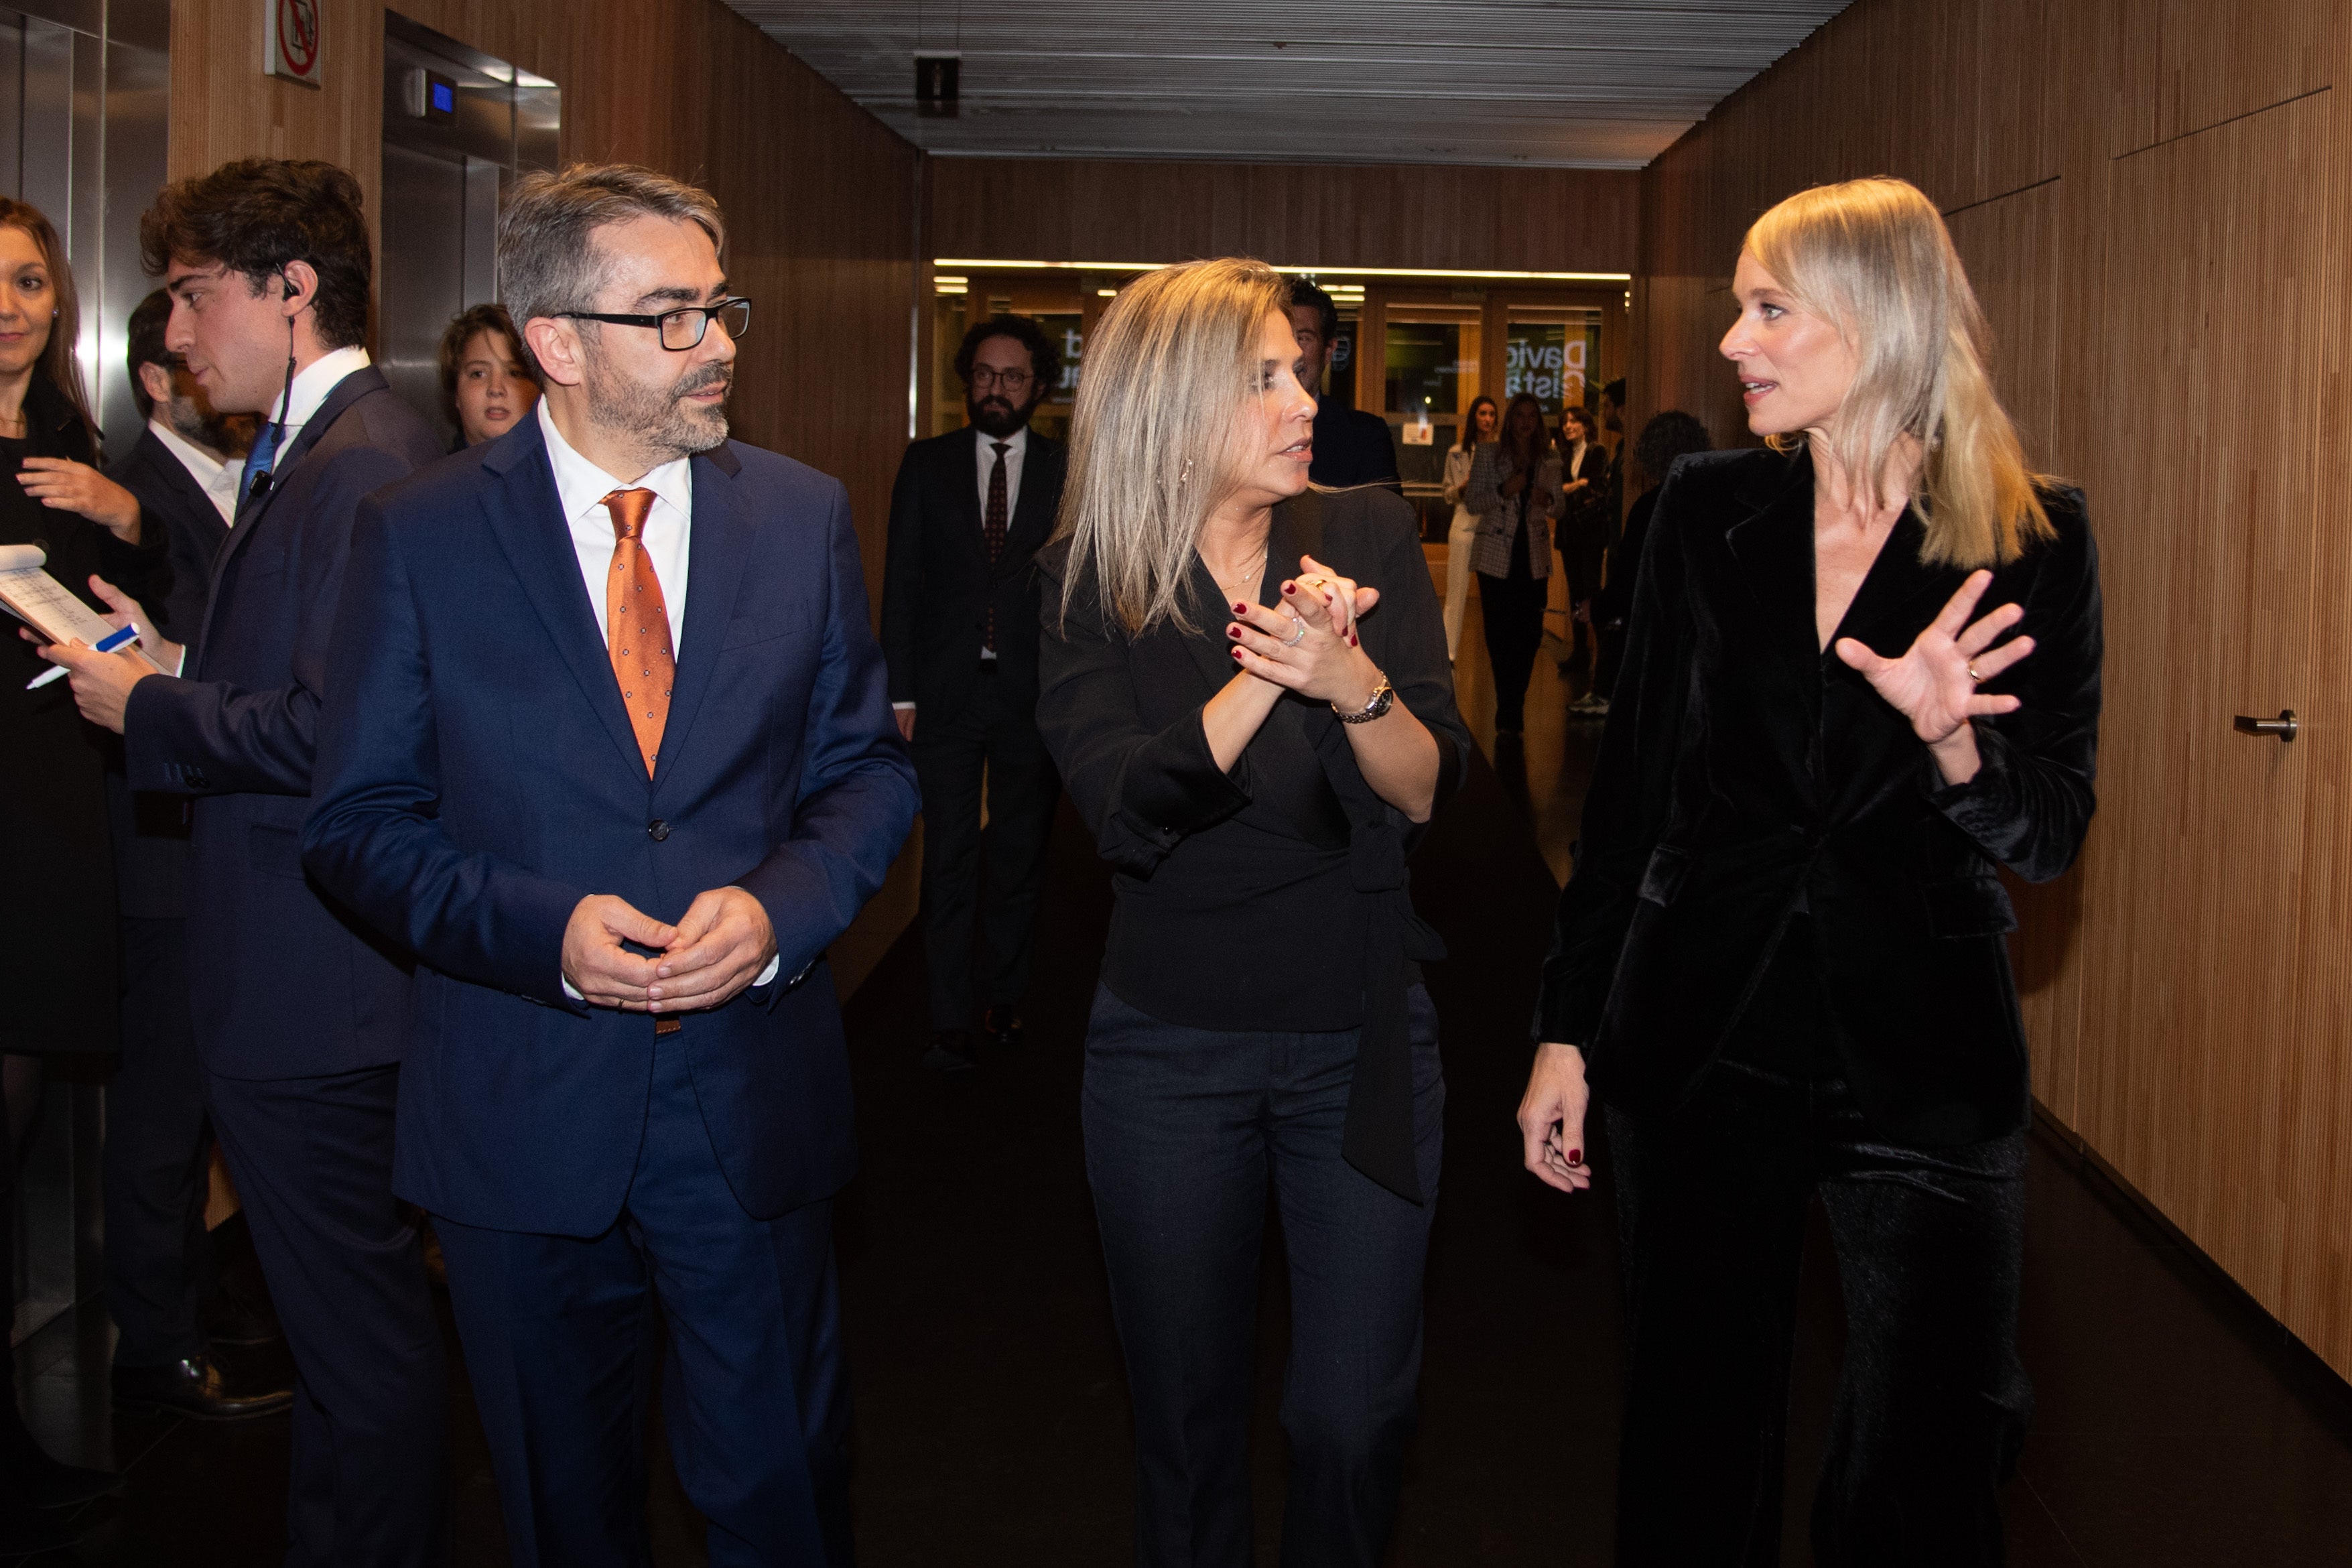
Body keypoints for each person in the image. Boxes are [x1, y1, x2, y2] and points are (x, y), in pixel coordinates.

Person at [302, 163, 917, 1568]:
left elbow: (866, 775)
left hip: (749, 1105)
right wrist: (545, 933)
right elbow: (358, 823)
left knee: (780, 1494)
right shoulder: (422, 533)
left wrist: (776, 914)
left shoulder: (799, 515)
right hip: (520, 1116)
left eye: (722, 308)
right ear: (558, 343)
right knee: (563, 1514)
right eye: (674, 316)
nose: (719, 345)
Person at [1516, 176, 2103, 1565]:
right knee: (1692, 1437)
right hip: (1703, 1039)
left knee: (1939, 1443)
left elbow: (2054, 829)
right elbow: (1632, 808)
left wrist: (1958, 749)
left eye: (1770, 307)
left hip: (1927, 1058)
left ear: (1880, 322)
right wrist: (1566, 1029)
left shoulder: (2037, 540)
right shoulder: (1700, 515)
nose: (1733, 340)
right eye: (1738, 306)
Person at [38, 158, 450, 1567]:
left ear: (293, 292)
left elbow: (342, 732)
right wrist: (170, 661)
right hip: (301, 974)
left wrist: (149, 706)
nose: (173, 336)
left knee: (359, 1343)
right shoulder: (324, 450)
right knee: (350, 1338)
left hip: (314, 987)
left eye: (197, 295)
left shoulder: (363, 464)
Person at [1035, 258, 1469, 1567]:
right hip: (1168, 1052)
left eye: (1300, 371)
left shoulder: (1370, 534)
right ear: (1172, 405)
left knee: (1354, 1418)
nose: (1303, 402)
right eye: (1265, 379)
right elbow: (1126, 812)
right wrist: (1270, 673)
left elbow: (1428, 786)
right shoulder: (1090, 575)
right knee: (1186, 1424)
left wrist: (1350, 683)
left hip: (1363, 1039)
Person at [98, 286, 289, 1425]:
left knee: (222, 1096)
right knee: (162, 1113)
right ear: (160, 381)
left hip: (232, 839)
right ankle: (153, 1348)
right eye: (186, 355)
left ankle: (215, 1305)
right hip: (162, 845)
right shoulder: (135, 497)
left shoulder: (255, 479)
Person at [0, 195, 151, 1557]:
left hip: (53, 820)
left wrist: (125, 510)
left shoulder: (76, 444)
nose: (8, 304)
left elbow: (140, 617)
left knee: (28, 1119)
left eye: (32, 280)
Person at [882, 314, 1069, 1073]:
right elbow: (902, 583)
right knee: (950, 859)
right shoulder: (927, 465)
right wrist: (898, 693)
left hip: (1032, 696)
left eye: (1013, 377)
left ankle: (1003, 1002)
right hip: (945, 698)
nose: (997, 390)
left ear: (1038, 388)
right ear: (968, 382)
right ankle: (949, 1015)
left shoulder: (1068, 470)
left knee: (1020, 857)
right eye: (985, 376)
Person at [1585, 409, 1711, 713]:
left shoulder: (1649, 508)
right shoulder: (1715, 499)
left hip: (1662, 635)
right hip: (1706, 632)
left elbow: (1630, 578)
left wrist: (1598, 607)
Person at [1463, 391, 1559, 738]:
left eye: (1532, 416)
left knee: (1530, 636)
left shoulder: (1549, 457)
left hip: (1533, 558)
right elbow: (1473, 502)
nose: (1525, 423)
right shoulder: (1490, 454)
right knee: (1500, 635)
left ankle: (1513, 701)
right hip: (1495, 559)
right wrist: (1505, 489)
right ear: (1510, 420)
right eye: (1519, 416)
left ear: (1538, 422)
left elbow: (1559, 506)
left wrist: (1546, 500)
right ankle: (1508, 708)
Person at [1287, 278, 1399, 488]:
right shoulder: (1237, 429)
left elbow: (1382, 520)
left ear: (1328, 351)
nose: (1292, 351)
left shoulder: (1364, 438)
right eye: (1284, 337)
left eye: (1303, 338)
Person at [1554, 402, 1612, 694]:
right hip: (1569, 533)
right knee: (1576, 592)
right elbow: (1558, 489)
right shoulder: (1563, 455)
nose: (1568, 426)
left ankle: (1601, 654)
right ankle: (1580, 653)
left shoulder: (1597, 451)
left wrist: (1572, 488)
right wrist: (1576, 485)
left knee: (1591, 590)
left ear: (1586, 425)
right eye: (1565, 422)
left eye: (1574, 421)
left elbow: (1597, 487)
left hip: (1590, 533)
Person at [1439, 393, 1496, 662]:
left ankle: (1496, 653)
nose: (1487, 419)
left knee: (1496, 596)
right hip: (1463, 521)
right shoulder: (1457, 452)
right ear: (1474, 417)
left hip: (1493, 525)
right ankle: (1447, 652)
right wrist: (1462, 488)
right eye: (1483, 413)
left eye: (1492, 414)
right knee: (1456, 591)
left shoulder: (1500, 452)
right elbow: (1447, 493)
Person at [438, 301, 539, 448]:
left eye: (515, 373)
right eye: (478, 374)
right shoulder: (436, 471)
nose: (496, 389)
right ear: (457, 394)